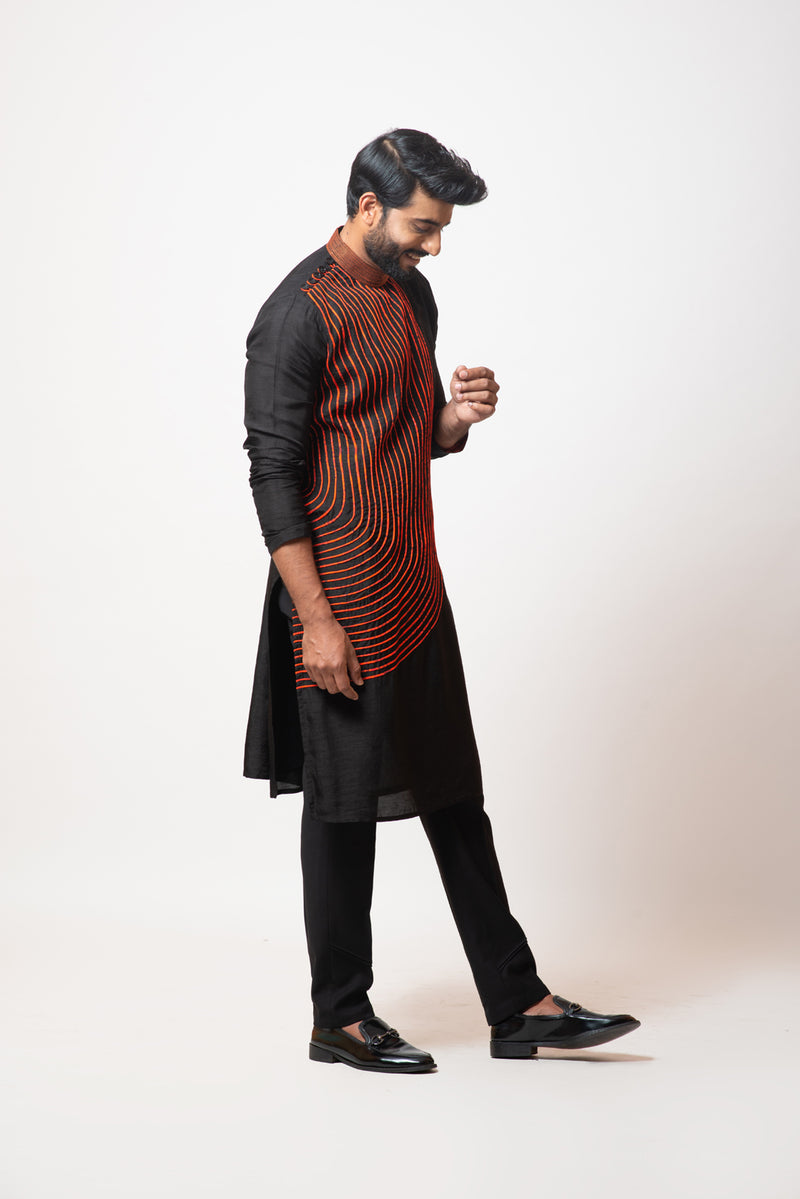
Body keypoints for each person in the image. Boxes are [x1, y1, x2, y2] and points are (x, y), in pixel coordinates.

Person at [242, 128, 640, 1073]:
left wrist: (456, 416)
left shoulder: (413, 294)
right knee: (343, 806)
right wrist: (317, 621)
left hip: (414, 584)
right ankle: (340, 1017)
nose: (435, 245)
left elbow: (402, 433)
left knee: (456, 793)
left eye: (442, 229)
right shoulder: (295, 315)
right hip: (337, 598)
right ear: (368, 207)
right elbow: (273, 475)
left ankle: (519, 1003)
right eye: (424, 225)